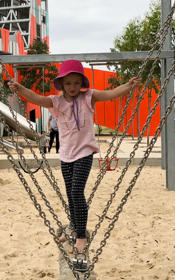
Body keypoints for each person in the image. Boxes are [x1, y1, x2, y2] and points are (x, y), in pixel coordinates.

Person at [8, 59, 139, 254]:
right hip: (66, 155)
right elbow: (35, 98)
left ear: (82, 83)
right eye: (68, 83)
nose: (72, 87)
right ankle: (73, 227)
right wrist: (19, 88)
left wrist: (128, 86)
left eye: (77, 83)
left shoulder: (89, 97)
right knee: (70, 194)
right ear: (61, 84)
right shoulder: (56, 102)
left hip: (84, 152)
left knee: (77, 191)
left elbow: (110, 94)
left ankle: (81, 237)